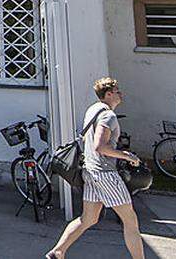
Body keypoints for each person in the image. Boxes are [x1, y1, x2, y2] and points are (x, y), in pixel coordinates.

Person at [47, 77, 144, 259]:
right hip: (105, 173)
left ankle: (57, 252)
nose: (120, 94)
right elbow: (101, 146)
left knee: (88, 219)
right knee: (131, 222)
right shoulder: (108, 115)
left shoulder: (93, 109)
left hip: (90, 172)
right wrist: (127, 155)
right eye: (117, 91)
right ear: (108, 94)